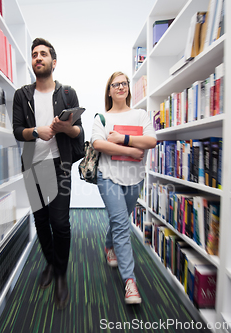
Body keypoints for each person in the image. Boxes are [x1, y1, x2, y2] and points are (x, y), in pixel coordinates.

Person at [12, 38, 84, 309]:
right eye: (34, 55)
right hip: (33, 166)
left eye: (43, 54)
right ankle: (51, 265)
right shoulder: (22, 95)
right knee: (41, 221)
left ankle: (62, 274)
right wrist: (36, 132)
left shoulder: (68, 93)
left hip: (60, 165)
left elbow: (80, 132)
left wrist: (65, 128)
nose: (37, 58)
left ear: (54, 62)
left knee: (61, 224)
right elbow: (17, 130)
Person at [91, 71, 157, 304]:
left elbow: (151, 140)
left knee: (121, 219)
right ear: (109, 91)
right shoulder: (101, 117)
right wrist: (130, 150)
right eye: (115, 84)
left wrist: (122, 139)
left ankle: (109, 245)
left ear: (128, 88)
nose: (120, 87)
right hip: (107, 177)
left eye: (124, 83)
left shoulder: (140, 115)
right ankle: (130, 282)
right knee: (121, 223)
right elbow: (98, 143)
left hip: (134, 178)